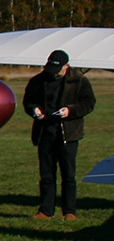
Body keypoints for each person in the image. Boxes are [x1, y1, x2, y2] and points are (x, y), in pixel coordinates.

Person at [23, 49, 96, 220]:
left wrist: (70, 111)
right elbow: (28, 102)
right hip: (45, 133)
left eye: (57, 70)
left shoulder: (79, 81)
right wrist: (34, 110)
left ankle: (69, 211)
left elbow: (89, 103)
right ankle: (46, 210)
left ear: (66, 67)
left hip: (68, 134)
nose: (53, 74)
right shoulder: (37, 81)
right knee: (46, 175)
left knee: (68, 175)